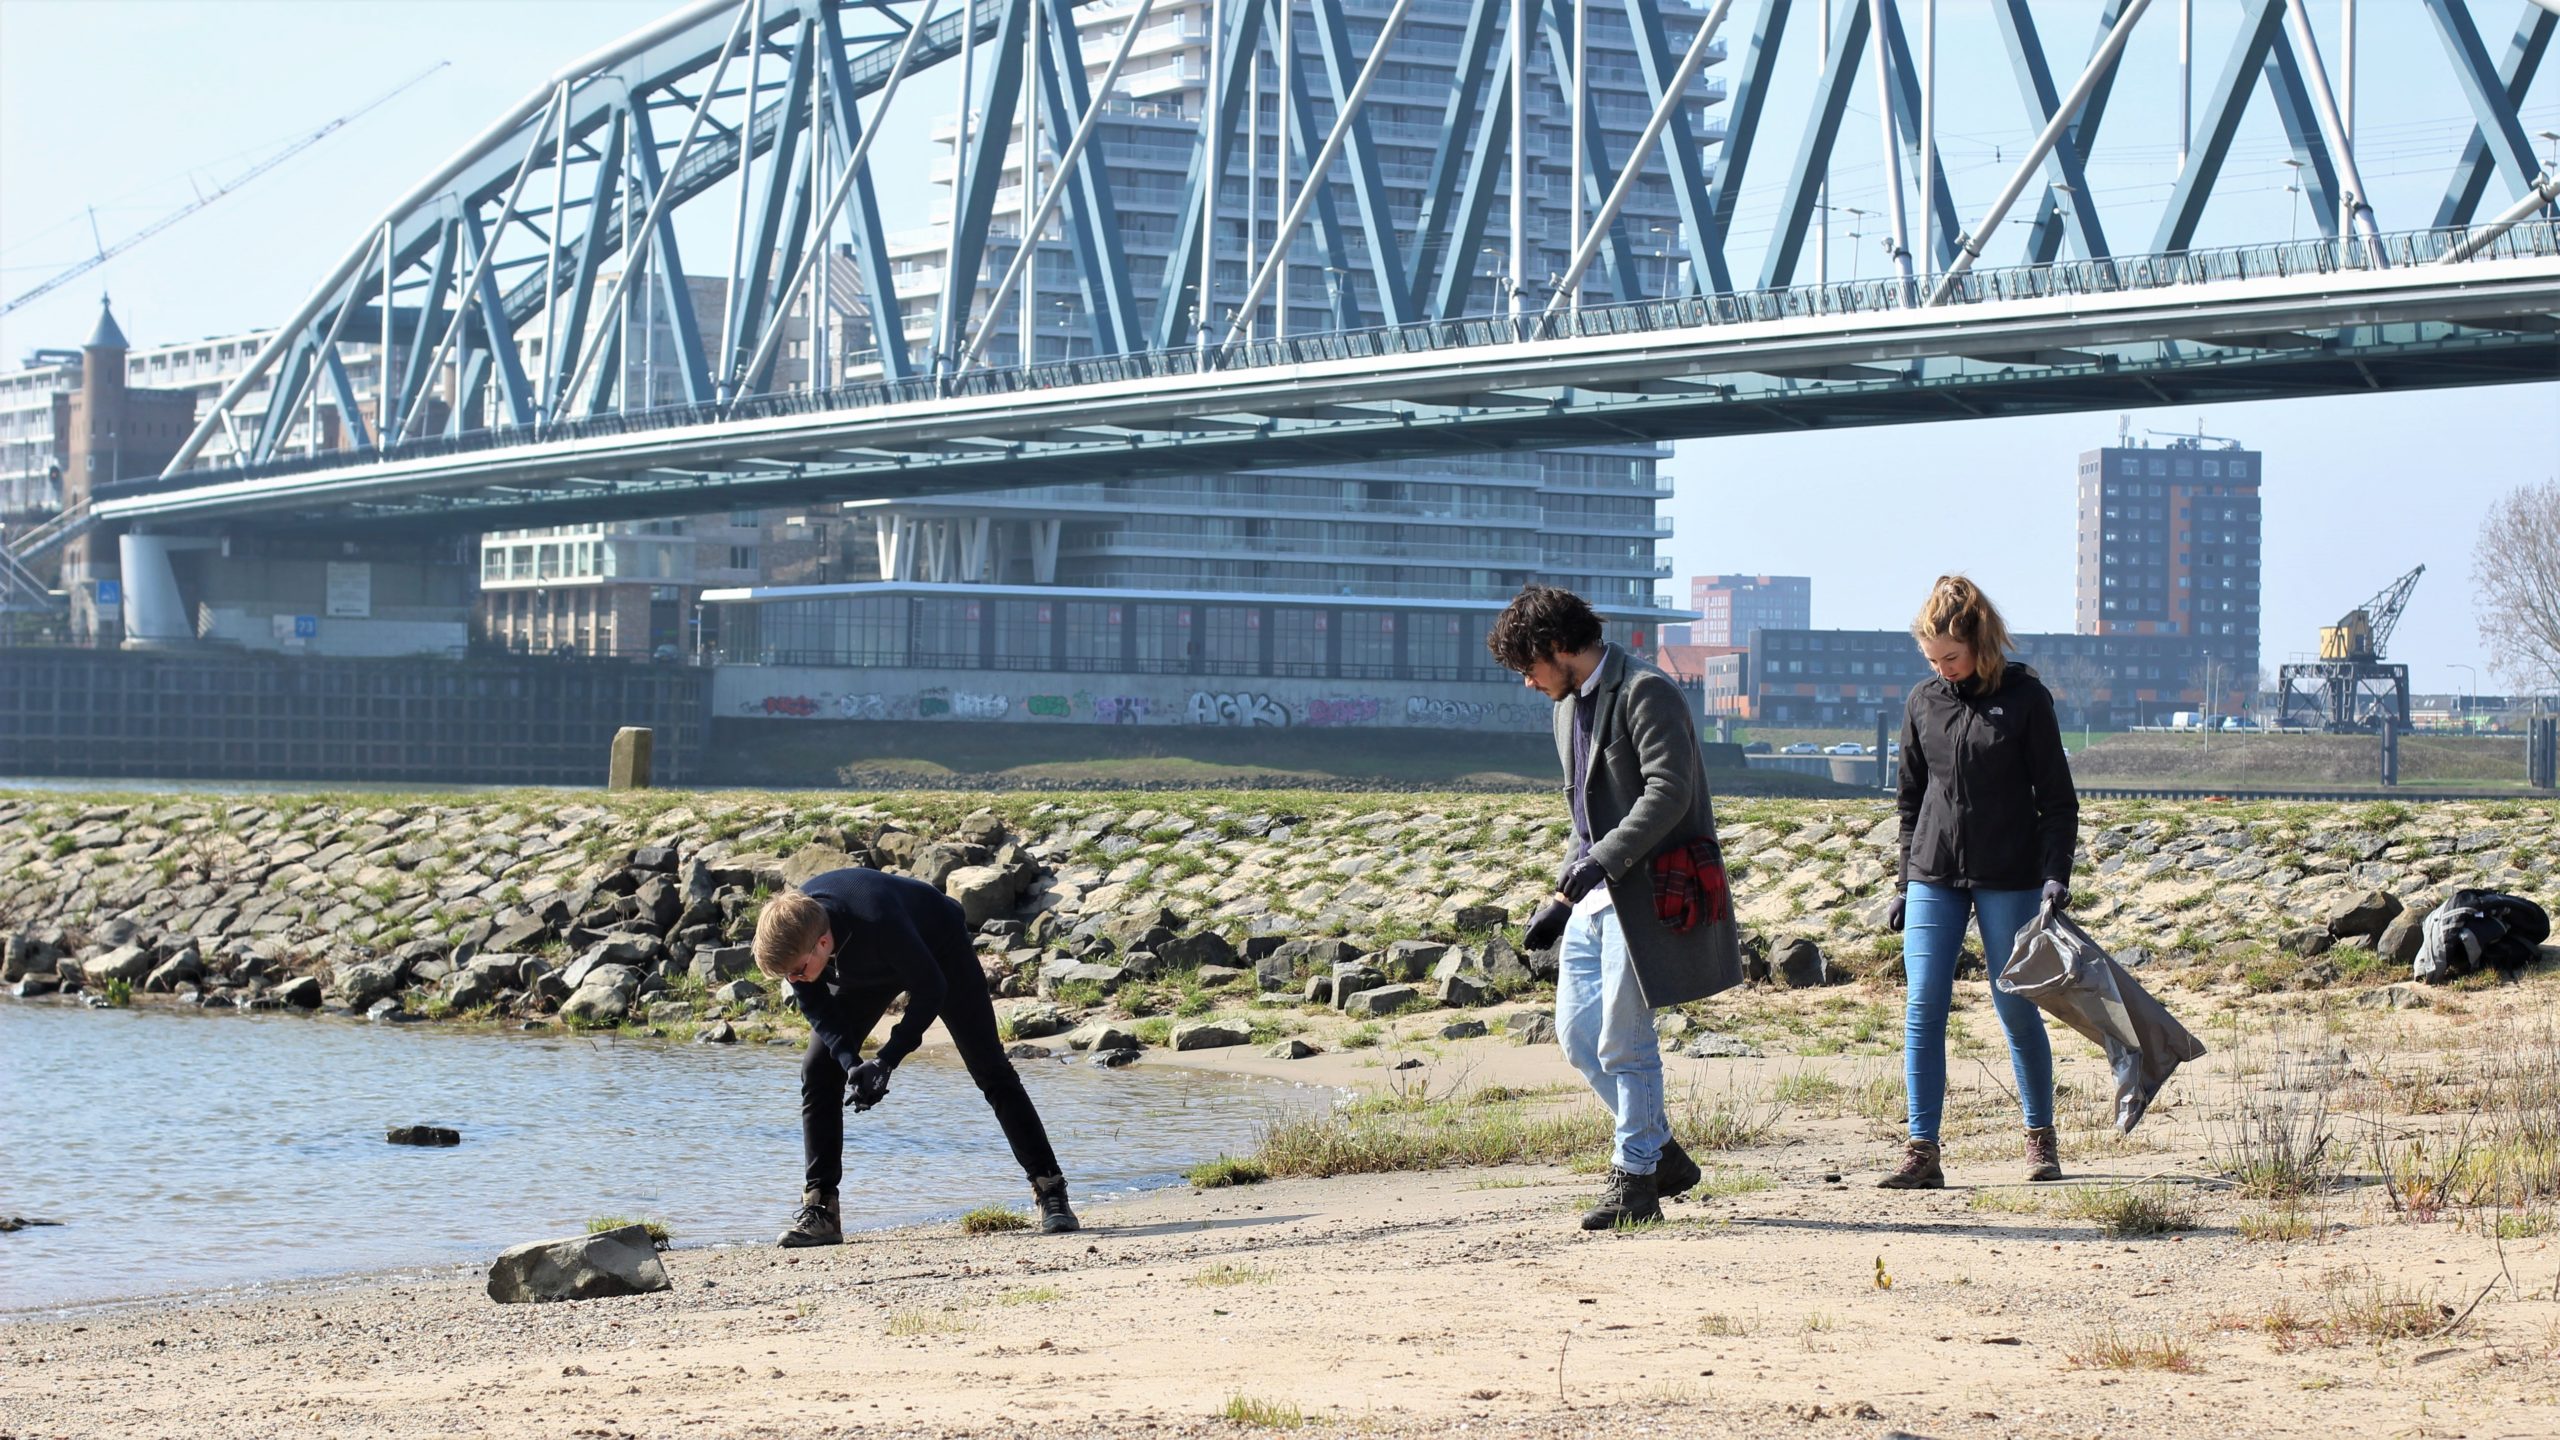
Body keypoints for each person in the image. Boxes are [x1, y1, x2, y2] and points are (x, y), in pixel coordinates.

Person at [1491, 584, 1744, 1228]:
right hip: (1593, 896)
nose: (1527, 683)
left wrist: (1596, 865)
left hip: (1646, 894)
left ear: (1557, 647)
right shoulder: (1565, 706)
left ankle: (1635, 1179)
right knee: (1579, 1040)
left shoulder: (1646, 691)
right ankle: (1662, 1155)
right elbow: (1586, 814)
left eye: (1529, 667)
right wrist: (1561, 892)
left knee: (1623, 1043)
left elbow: (1669, 792)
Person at [752, 867, 1078, 1245]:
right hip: (866, 965)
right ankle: (822, 1209)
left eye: (796, 971)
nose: (793, 980)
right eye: (785, 976)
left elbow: (931, 990)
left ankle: (1050, 1190)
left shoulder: (876, 920)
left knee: (991, 1070)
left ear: (823, 943)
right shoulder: (800, 941)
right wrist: (853, 1065)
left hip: (938, 948)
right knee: (819, 1069)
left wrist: (886, 1060)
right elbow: (819, 1009)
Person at [1880, 575, 2079, 1189]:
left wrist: (2054, 877)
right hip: (1932, 873)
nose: (1942, 669)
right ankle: (1922, 1150)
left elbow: (2058, 800)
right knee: (1922, 1008)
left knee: (2014, 1003)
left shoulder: (2025, 699)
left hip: (2010, 873)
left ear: (1980, 644)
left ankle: (2040, 1139)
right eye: (1932, 658)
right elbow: (1910, 799)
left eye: (1952, 657)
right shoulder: (1922, 702)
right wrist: (1903, 881)